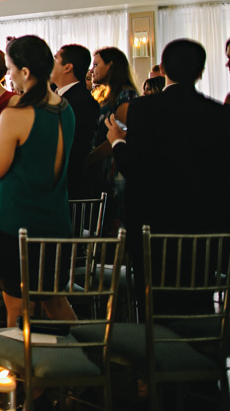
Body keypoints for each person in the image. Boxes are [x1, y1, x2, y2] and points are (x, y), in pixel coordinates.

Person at [106, 39, 230, 314]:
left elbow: (135, 167)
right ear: (200, 72)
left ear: (162, 69)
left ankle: (153, 353)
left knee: (152, 303)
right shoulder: (219, 114)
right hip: (202, 224)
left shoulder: (142, 109)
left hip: (152, 223)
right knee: (198, 300)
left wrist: (117, 142)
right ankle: (200, 352)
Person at [0, 35, 76, 327]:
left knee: (16, 307)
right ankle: (82, 357)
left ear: (25, 73)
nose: (8, 74)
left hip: (17, 221)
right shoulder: (65, 107)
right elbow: (31, 154)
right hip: (55, 220)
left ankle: (19, 368)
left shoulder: (18, 112)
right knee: (54, 299)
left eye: (10, 68)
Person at [87, 46, 138, 228]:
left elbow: (119, 135)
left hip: (115, 170)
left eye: (96, 64)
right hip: (101, 170)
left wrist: (89, 159)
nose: (92, 69)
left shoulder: (126, 95)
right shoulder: (105, 95)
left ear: (111, 65)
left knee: (114, 225)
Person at [50, 44, 99, 199]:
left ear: (67, 68)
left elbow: (76, 148)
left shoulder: (82, 101)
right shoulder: (55, 95)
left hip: (69, 186)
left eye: (55, 58)